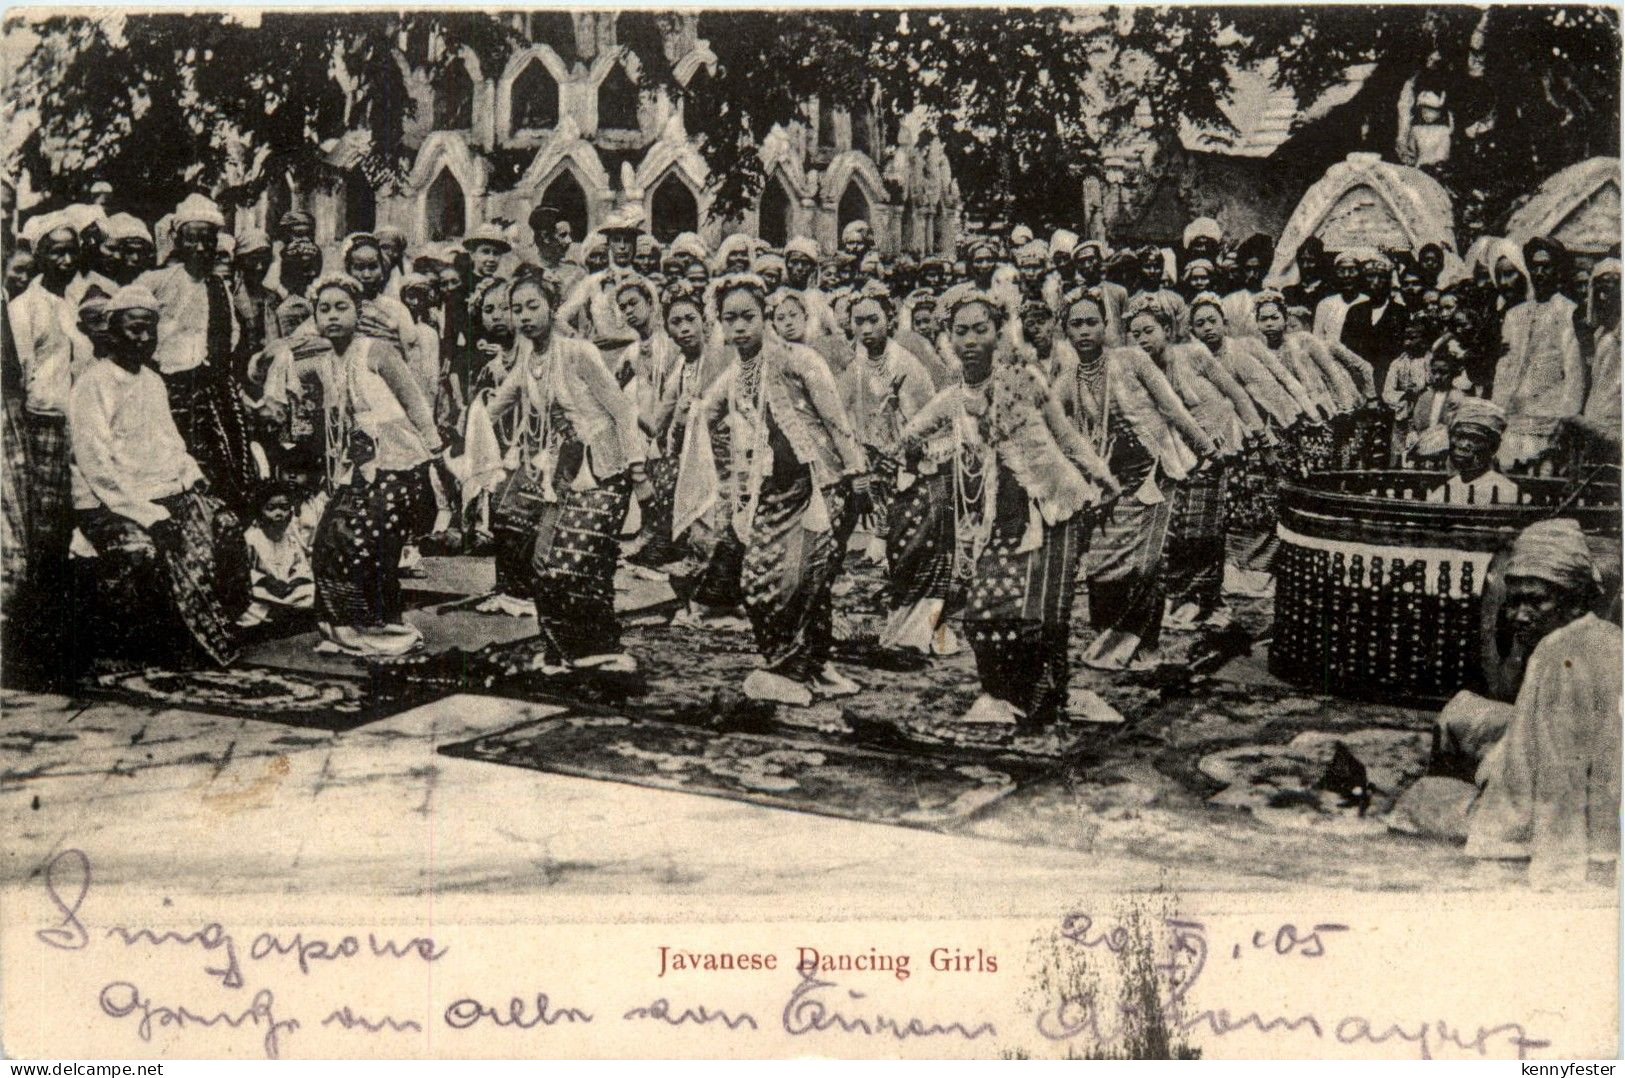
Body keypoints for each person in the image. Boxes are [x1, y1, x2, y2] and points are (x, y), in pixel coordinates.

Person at [898, 287, 1116, 723]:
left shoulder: (1025, 380)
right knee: (984, 610)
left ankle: (1049, 695)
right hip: (1000, 519)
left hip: (1055, 507)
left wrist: (1103, 478)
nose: (971, 340)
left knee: (1045, 614)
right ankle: (1001, 694)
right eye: (961, 332)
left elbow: (1066, 435)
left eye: (982, 329)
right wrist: (915, 460)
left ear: (999, 333)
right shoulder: (954, 397)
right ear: (948, 338)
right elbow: (909, 435)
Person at [674, 274, 869, 706]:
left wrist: (857, 473)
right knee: (758, 579)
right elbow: (707, 412)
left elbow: (836, 419)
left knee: (799, 581)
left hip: (819, 486)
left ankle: (797, 668)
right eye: (730, 319)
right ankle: (808, 665)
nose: (739, 327)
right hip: (768, 493)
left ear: (765, 317)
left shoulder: (801, 360)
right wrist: (691, 417)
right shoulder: (734, 373)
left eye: (748, 317)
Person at [1421, 519, 1619, 885]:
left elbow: (1561, 775)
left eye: (1536, 601)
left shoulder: (1556, 653)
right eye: (1514, 603)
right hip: (1598, 820)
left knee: (1420, 799)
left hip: (1531, 834)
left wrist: (1554, 875)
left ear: (1574, 602)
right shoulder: (1608, 638)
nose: (1519, 616)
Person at [69, 285, 249, 666]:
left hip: (166, 491)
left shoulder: (152, 381)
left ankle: (207, 630)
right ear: (113, 332)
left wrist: (193, 480)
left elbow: (172, 444)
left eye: (149, 329)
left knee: (225, 525)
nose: (143, 337)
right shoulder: (93, 382)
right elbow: (96, 465)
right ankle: (159, 644)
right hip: (114, 503)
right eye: (134, 328)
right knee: (145, 550)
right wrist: (147, 513)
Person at [484, 271, 646, 673]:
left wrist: (639, 472)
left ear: (553, 307)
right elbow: (501, 402)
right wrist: (468, 433)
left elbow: (623, 411)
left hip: (606, 469)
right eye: (516, 309)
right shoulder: (527, 358)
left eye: (532, 306)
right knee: (546, 563)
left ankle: (599, 646)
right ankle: (566, 648)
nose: (523, 316)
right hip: (562, 473)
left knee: (575, 560)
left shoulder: (578, 352)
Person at [302, 274, 449, 658]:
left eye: (341, 307)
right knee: (330, 541)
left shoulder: (378, 351)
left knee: (366, 543)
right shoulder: (325, 360)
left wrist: (436, 454)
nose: (332, 316)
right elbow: (284, 365)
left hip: (399, 464)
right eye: (324, 309)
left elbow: (414, 401)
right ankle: (347, 627)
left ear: (358, 311)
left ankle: (377, 625)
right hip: (360, 466)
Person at [840, 291, 947, 654]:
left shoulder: (907, 365)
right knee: (883, 549)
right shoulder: (855, 368)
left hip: (914, 469)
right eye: (859, 321)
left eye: (874, 320)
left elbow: (925, 426)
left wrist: (899, 458)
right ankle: (891, 622)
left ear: (889, 318)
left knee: (911, 548)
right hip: (876, 467)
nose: (866, 329)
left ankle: (922, 629)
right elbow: (842, 416)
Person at [136, 194, 255, 513]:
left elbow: (232, 334)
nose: (201, 248)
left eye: (207, 240)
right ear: (179, 241)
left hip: (212, 388)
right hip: (166, 388)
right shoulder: (156, 281)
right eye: (192, 240)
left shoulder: (219, 286)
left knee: (225, 463)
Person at [631, 289, 732, 575]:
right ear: (667, 328)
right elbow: (658, 422)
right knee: (655, 470)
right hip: (693, 453)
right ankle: (670, 546)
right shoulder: (682, 366)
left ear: (704, 321)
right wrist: (625, 410)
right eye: (676, 322)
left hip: (724, 454)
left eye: (690, 319)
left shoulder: (722, 357)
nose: (685, 328)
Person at [1492, 237, 1586, 470]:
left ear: (1558, 270)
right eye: (1535, 266)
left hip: (1547, 424)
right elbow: (1504, 371)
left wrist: (1563, 422)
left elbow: (1574, 374)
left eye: (1546, 266)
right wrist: (1496, 415)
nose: (1540, 272)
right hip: (1512, 421)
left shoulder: (1569, 313)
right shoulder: (1515, 315)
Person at [237, 481, 316, 628]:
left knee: (311, 591)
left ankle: (285, 614)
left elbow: (301, 566)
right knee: (253, 605)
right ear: (260, 511)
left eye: (284, 508)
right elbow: (246, 572)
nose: (279, 514)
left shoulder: (291, 538)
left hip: (288, 589)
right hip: (265, 590)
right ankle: (279, 615)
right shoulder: (251, 538)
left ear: (291, 512)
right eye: (271, 508)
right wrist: (267, 581)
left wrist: (294, 581)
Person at [1426, 399, 1520, 505]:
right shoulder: (1442, 493)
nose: (1464, 445)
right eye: (1459, 436)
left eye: (1474, 438)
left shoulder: (1507, 493)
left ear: (1493, 447)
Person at [1341, 252, 1411, 392]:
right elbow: (1346, 346)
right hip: (1359, 379)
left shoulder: (1400, 312)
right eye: (1371, 276)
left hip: (1389, 379)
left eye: (1381, 277)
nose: (1376, 282)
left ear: (1388, 281)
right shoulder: (1355, 311)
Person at [1403, 342, 1468, 468]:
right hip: (1423, 457)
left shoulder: (1459, 398)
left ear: (1453, 373)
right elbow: (1415, 427)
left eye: (1443, 372)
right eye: (1435, 372)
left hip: (1449, 458)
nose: (1438, 377)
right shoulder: (1424, 397)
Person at [1312, 251, 1365, 341]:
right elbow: (1317, 341)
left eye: (1352, 270)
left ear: (1360, 273)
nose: (1347, 275)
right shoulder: (1325, 305)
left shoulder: (1368, 302)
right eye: (1341, 271)